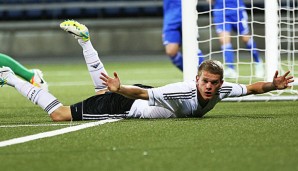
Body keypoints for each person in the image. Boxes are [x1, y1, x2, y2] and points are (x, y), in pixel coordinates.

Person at [0, 20, 293, 122]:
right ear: (196, 79)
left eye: (213, 83)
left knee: (102, 89)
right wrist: (120, 91)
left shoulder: (223, 89)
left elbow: (252, 88)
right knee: (59, 114)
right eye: (204, 81)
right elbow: (141, 93)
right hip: (129, 102)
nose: (208, 87)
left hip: (133, 97)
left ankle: (86, 42)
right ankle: (10, 76)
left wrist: (273, 85)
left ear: (219, 84)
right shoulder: (183, 90)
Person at [207, 0, 264, 78]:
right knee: (224, 40)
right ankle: (231, 69)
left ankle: (258, 63)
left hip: (237, 11)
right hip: (221, 12)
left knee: (246, 39)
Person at [163, 0, 204, 71]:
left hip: (187, 16)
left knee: (193, 47)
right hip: (170, 17)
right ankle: (191, 74)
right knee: (171, 51)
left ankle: (203, 73)